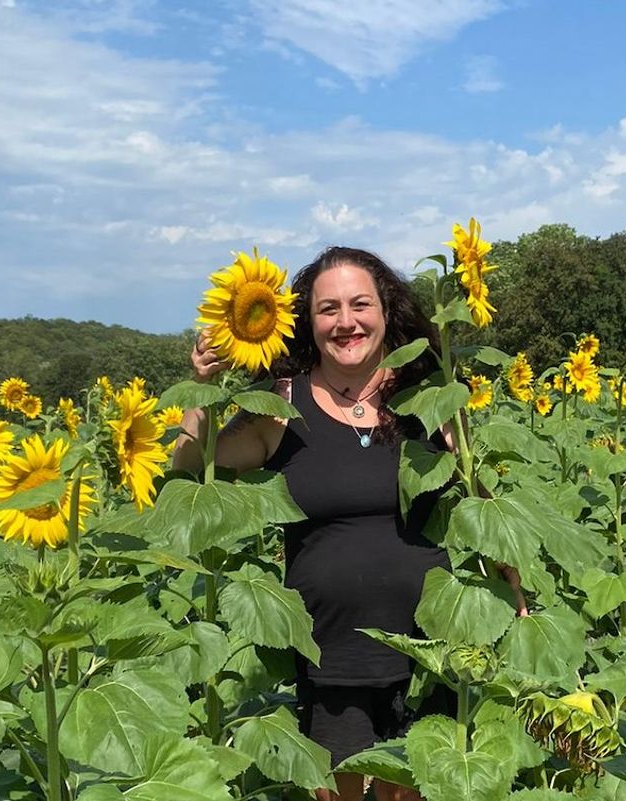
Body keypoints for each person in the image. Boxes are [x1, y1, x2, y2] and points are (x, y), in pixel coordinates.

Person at [173, 246, 522, 801]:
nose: (346, 322)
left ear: (387, 312)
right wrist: (202, 392)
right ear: (307, 324)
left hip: (430, 652)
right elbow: (192, 465)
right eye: (327, 309)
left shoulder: (428, 400)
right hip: (331, 658)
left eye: (360, 304)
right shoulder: (278, 406)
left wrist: (513, 583)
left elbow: (480, 495)